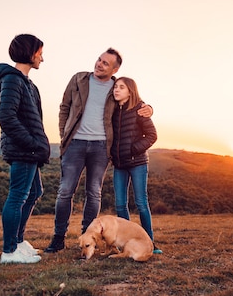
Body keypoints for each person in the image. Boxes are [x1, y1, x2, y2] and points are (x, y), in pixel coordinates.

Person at [44, 48, 153, 253]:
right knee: (65, 191)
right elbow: (64, 107)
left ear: (115, 69)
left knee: (93, 193)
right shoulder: (79, 79)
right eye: (99, 59)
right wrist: (64, 135)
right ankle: (58, 238)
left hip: (101, 147)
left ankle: (88, 237)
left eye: (105, 63)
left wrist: (150, 107)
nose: (99, 64)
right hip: (75, 144)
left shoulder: (116, 86)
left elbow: (134, 100)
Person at [0, 34, 50, 264]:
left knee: (34, 192)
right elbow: (6, 116)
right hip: (24, 149)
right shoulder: (13, 80)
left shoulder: (26, 82)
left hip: (30, 150)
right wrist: (32, 143)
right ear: (30, 53)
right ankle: (9, 251)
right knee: (18, 196)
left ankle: (18, 241)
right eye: (40, 53)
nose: (42, 59)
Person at [110, 77, 162, 254]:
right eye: (115, 87)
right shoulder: (113, 110)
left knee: (141, 202)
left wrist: (133, 149)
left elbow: (152, 135)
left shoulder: (140, 109)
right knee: (120, 205)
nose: (117, 90)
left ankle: (150, 243)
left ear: (130, 91)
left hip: (137, 163)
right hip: (119, 164)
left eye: (121, 87)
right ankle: (126, 242)